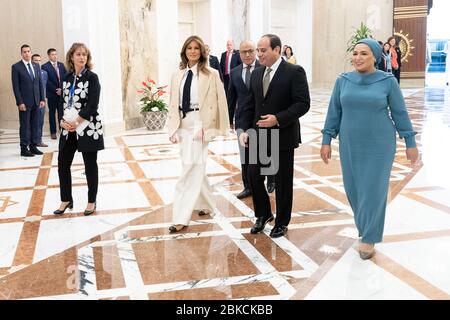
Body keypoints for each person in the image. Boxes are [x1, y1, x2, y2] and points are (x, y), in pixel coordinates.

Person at [320, 38, 419, 260]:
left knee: (373, 190)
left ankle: (369, 237)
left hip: (380, 144)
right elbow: (334, 111)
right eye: (355, 53)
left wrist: (410, 143)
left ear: (375, 56)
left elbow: (400, 113)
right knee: (354, 188)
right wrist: (326, 139)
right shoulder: (343, 80)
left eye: (364, 54)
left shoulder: (387, 81)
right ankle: (364, 226)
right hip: (350, 143)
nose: (358, 58)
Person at [239, 34, 310, 238]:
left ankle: (282, 222)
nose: (258, 54)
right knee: (253, 176)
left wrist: (277, 118)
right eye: (257, 50)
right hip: (259, 134)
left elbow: (303, 103)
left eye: (263, 50)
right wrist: (244, 129)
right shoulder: (256, 73)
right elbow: (249, 104)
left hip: (283, 135)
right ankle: (263, 214)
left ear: (277, 50)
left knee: (282, 181)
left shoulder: (294, 71)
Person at [167, 35, 229, 233]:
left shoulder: (212, 74)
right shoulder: (178, 75)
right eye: (189, 48)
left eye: (196, 48)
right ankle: (208, 205)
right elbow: (172, 103)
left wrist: (210, 127)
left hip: (200, 123)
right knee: (193, 165)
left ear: (202, 51)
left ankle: (180, 216)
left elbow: (220, 102)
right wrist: (172, 128)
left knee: (189, 168)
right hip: (183, 121)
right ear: (184, 51)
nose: (192, 51)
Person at [54, 43, 104, 216]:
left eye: (85, 54)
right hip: (68, 128)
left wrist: (77, 121)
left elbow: (92, 105)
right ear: (71, 57)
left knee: (90, 165)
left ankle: (91, 201)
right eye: (78, 54)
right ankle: (66, 199)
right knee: (62, 164)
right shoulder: (67, 78)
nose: (82, 57)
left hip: (87, 126)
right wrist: (62, 121)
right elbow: (62, 103)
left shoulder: (92, 78)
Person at [228, 40, 275, 200]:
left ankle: (270, 180)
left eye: (250, 51)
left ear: (255, 51)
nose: (247, 55)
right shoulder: (234, 72)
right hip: (242, 119)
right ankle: (247, 186)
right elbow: (231, 97)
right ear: (238, 54)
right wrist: (230, 119)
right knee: (245, 155)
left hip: (261, 117)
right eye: (243, 52)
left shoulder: (264, 69)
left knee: (266, 150)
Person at [11, 45, 46, 157]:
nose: (27, 53)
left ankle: (33, 146)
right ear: (21, 53)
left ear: (31, 52)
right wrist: (19, 102)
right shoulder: (16, 67)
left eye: (28, 51)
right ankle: (24, 148)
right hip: (24, 103)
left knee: (35, 125)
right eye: (24, 52)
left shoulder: (36, 66)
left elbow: (40, 84)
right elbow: (15, 86)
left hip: (37, 101)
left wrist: (42, 99)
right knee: (25, 126)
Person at [42, 48, 67, 140]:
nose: (55, 56)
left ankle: (62, 129)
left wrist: (62, 89)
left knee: (61, 113)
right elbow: (46, 81)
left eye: (56, 54)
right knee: (52, 113)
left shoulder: (61, 65)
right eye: (53, 54)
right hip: (52, 94)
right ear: (49, 56)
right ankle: (53, 132)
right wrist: (56, 89)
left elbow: (66, 77)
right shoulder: (45, 66)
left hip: (62, 94)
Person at [31, 54, 49, 147]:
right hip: (32, 101)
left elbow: (45, 87)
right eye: (35, 61)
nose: (38, 62)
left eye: (39, 60)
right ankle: (32, 141)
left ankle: (39, 140)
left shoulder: (44, 73)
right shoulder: (30, 72)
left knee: (40, 122)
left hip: (42, 102)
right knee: (32, 122)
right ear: (32, 61)